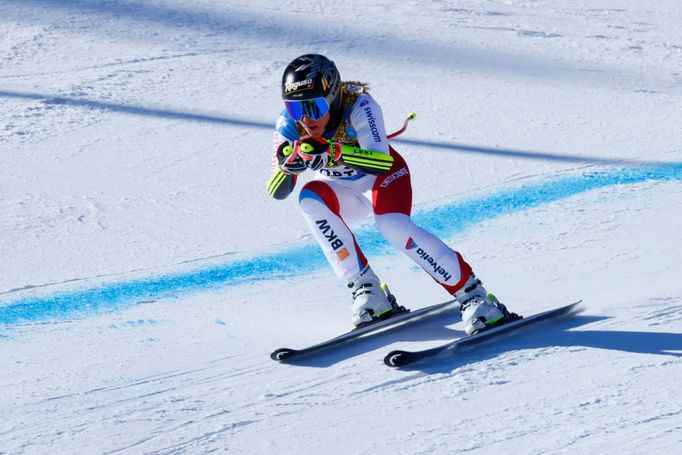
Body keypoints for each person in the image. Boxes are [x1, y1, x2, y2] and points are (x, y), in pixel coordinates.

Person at [266, 54, 518, 334]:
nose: (303, 118)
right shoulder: (288, 123)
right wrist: (288, 167)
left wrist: (334, 151)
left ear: (334, 95)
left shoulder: (359, 104)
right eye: (293, 107)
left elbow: (382, 161)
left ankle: (474, 297)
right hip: (345, 192)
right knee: (309, 198)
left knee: (392, 226)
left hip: (383, 178)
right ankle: (367, 291)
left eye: (313, 107)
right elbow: (277, 191)